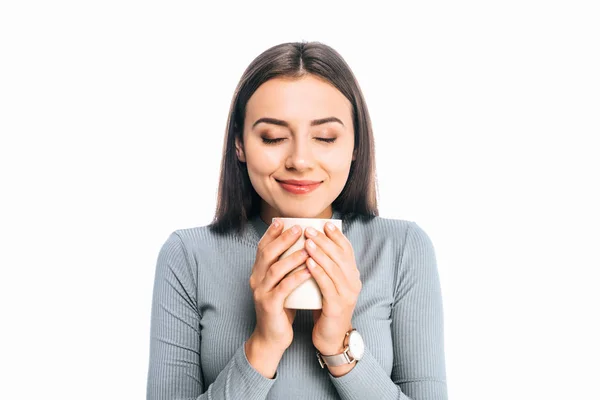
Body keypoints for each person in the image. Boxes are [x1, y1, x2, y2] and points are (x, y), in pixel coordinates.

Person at [146, 41, 447, 400]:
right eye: (273, 137)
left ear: (355, 146)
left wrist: (339, 347)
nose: (300, 160)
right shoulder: (188, 256)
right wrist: (264, 346)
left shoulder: (402, 249)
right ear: (240, 144)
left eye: (324, 137)